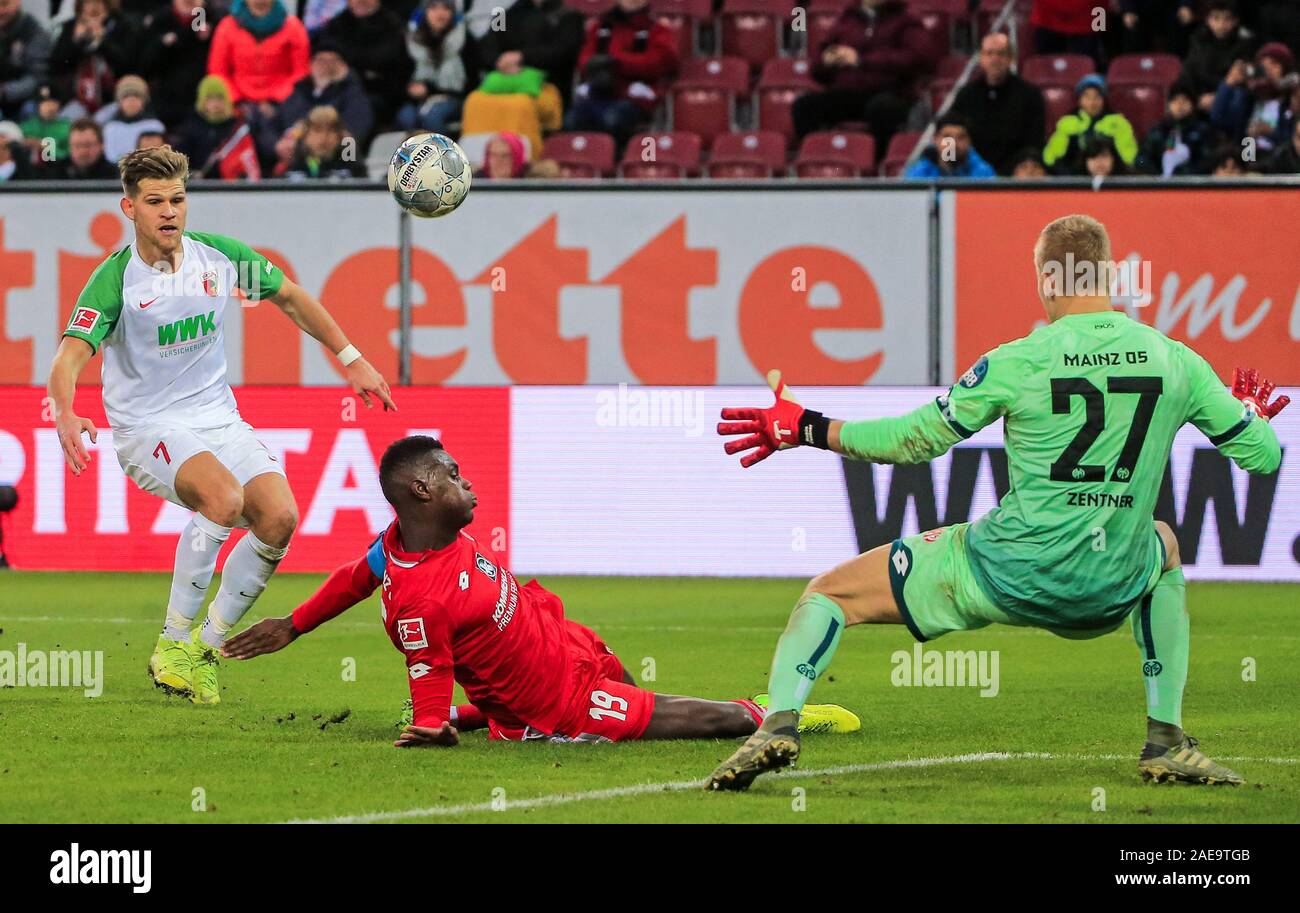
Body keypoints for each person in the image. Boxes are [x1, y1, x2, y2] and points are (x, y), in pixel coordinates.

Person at [707, 213, 1288, 791]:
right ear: (1109, 276)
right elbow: (1264, 457)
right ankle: (1165, 739)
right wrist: (1249, 417)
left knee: (828, 595)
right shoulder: (1176, 361)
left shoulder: (1018, 360)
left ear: (1047, 281)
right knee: (1163, 543)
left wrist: (807, 428)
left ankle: (779, 722)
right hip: (1109, 586)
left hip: (1004, 573)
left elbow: (912, 440)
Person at [222, 436, 861, 746]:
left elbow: (357, 576)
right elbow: (429, 674)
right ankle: (775, 713)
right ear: (422, 492)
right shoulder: (421, 599)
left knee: (632, 688)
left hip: (557, 640)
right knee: (689, 720)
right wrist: (431, 726)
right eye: (452, 476)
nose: (468, 484)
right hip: (556, 704)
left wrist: (296, 624)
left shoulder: (398, 544)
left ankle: (490, 717)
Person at [46, 145, 394, 706]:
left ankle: (207, 648)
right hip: (147, 427)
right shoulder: (116, 280)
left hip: (218, 418)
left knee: (280, 517)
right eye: (154, 200)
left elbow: (291, 297)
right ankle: (173, 642)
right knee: (224, 500)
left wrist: (351, 357)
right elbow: (68, 357)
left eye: (177, 199)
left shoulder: (220, 258)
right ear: (129, 208)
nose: (169, 211)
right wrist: (65, 409)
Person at [793, 0, 933, 155]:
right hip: (850, 91)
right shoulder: (847, 19)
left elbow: (918, 58)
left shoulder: (907, 20)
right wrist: (827, 60)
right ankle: (817, 160)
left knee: (881, 109)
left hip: (893, 91)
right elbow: (818, 65)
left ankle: (879, 165)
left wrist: (862, 60)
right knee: (804, 106)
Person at [565, 0, 677, 147]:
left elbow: (658, 62)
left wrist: (616, 61)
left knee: (613, 119)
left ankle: (616, 162)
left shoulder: (656, 29)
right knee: (572, 119)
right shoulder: (601, 27)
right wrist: (596, 63)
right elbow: (584, 59)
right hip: (598, 92)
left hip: (634, 98)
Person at [950, 31, 1045, 174]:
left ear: (1011, 58)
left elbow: (1034, 143)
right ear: (981, 58)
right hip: (971, 176)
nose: (995, 59)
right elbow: (948, 131)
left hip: (1015, 178)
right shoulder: (966, 94)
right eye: (989, 53)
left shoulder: (1030, 95)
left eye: (1001, 54)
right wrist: (946, 163)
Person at [268, 35, 373, 155]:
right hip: (289, 157)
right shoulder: (298, 90)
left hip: (333, 158)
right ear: (311, 64)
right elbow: (274, 123)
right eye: (320, 60)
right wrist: (276, 144)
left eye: (333, 61)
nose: (326, 66)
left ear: (344, 66)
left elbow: (355, 129)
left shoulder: (352, 93)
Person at [318, 0, 412, 127]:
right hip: (339, 88)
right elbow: (325, 53)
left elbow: (384, 59)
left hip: (380, 93)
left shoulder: (392, 24)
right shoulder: (338, 23)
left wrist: (348, 63)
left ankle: (348, 145)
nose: (360, 1)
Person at [137, 0, 224, 129]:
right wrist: (165, 43)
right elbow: (144, 64)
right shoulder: (160, 19)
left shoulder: (209, 17)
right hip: (165, 99)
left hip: (199, 99)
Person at [398, 0, 480, 135]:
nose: (440, 14)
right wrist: (411, 90)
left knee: (432, 116)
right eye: (434, 8)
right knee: (406, 116)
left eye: (446, 8)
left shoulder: (464, 39)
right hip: (418, 99)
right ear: (425, 12)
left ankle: (444, 154)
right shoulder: (412, 42)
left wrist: (430, 89)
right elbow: (401, 76)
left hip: (455, 97)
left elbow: (472, 82)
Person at [207, 0, 309, 107]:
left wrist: (277, 100)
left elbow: (301, 72)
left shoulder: (293, 27)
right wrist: (237, 101)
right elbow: (217, 71)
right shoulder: (227, 26)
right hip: (238, 103)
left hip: (283, 102)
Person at [48, 0, 139, 116]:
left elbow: (128, 64)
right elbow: (56, 65)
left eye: (98, 3)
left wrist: (102, 42)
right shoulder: (71, 26)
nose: (93, 8)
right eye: (88, 3)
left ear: (107, 5)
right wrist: (76, 42)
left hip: (113, 99)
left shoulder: (121, 25)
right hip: (75, 99)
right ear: (80, 6)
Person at [1210, 42, 1297, 153]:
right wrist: (1228, 83)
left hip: (1279, 164)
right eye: (1263, 64)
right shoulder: (1248, 98)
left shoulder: (1291, 100)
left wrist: (1271, 132)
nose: (1268, 69)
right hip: (1248, 159)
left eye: (1275, 64)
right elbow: (1218, 118)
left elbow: (1294, 139)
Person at [1043, 74, 1138, 174]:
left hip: (1110, 179)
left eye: (1097, 96)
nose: (1092, 102)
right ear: (1079, 100)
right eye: (1087, 96)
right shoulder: (1067, 123)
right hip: (1075, 180)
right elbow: (1051, 159)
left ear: (1104, 100)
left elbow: (1129, 159)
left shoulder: (1118, 122)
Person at [176, 74, 260, 180]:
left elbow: (248, 160)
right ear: (202, 102)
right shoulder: (192, 127)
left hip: (231, 186)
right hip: (200, 187)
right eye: (210, 99)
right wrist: (191, 174)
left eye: (219, 98)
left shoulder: (238, 128)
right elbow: (178, 160)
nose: (215, 104)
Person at [1181, 0, 1255, 113]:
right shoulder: (1197, 41)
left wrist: (1219, 97)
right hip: (1199, 102)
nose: (1221, 25)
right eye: (1216, 18)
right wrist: (1197, 99)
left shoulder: (1245, 44)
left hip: (1228, 104)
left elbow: (1241, 81)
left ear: (1235, 21)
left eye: (1227, 19)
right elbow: (1189, 75)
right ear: (1208, 20)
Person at [1136, 80, 1215, 175]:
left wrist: (1181, 175)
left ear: (1192, 105)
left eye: (1184, 100)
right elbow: (1141, 160)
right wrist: (1156, 176)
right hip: (1158, 185)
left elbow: (1207, 161)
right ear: (1169, 105)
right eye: (1175, 101)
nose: (1180, 105)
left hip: (1192, 186)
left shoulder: (1202, 131)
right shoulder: (1158, 131)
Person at [282, 103, 366, 179]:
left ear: (340, 135)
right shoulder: (296, 158)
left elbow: (363, 182)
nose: (324, 137)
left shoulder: (348, 159)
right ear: (306, 135)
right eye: (317, 130)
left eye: (331, 130)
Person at [0, 0, 52, 122]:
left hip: (26, 100)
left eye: (5, 4)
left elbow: (38, 78)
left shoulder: (35, 32)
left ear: (18, 2)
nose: (0, 11)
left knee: (29, 109)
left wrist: (4, 91)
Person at [903, 112, 996, 179]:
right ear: (935, 139)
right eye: (947, 137)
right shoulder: (919, 173)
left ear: (969, 142)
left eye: (960, 137)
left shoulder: (984, 174)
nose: (953, 144)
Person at [95, 75, 166, 162]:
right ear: (119, 102)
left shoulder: (154, 126)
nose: (131, 101)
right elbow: (110, 156)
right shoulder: (110, 128)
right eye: (126, 97)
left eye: (137, 96)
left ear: (144, 101)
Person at [45, 117, 118, 177]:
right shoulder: (55, 174)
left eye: (88, 145)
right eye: (77, 146)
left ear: (101, 145)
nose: (83, 151)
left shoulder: (116, 176)